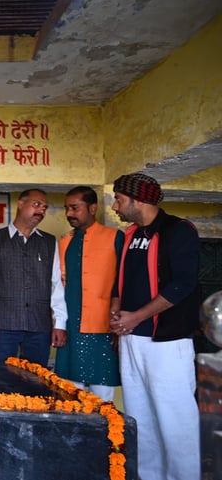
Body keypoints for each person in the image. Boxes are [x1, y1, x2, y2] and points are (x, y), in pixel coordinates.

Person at [109, 172, 201, 480]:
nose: (115, 206)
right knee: (140, 420)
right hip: (132, 339)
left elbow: (182, 285)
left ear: (137, 200)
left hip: (167, 343)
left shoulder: (178, 230)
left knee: (175, 423)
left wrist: (136, 317)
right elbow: (120, 281)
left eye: (119, 200)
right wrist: (117, 311)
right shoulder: (132, 234)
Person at [0, 188, 67, 366]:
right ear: (20, 204)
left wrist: (60, 323)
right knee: (2, 376)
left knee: (36, 377)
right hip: (4, 325)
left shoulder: (49, 242)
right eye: (36, 204)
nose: (41, 211)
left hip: (39, 325)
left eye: (44, 208)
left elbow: (56, 284)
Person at [54, 186, 123, 401]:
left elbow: (124, 281)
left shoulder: (114, 237)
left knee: (102, 396)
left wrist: (118, 323)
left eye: (75, 208)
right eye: (67, 208)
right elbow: (58, 286)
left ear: (92, 208)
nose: (69, 213)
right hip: (71, 328)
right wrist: (59, 324)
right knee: (70, 394)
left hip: (104, 326)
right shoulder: (65, 241)